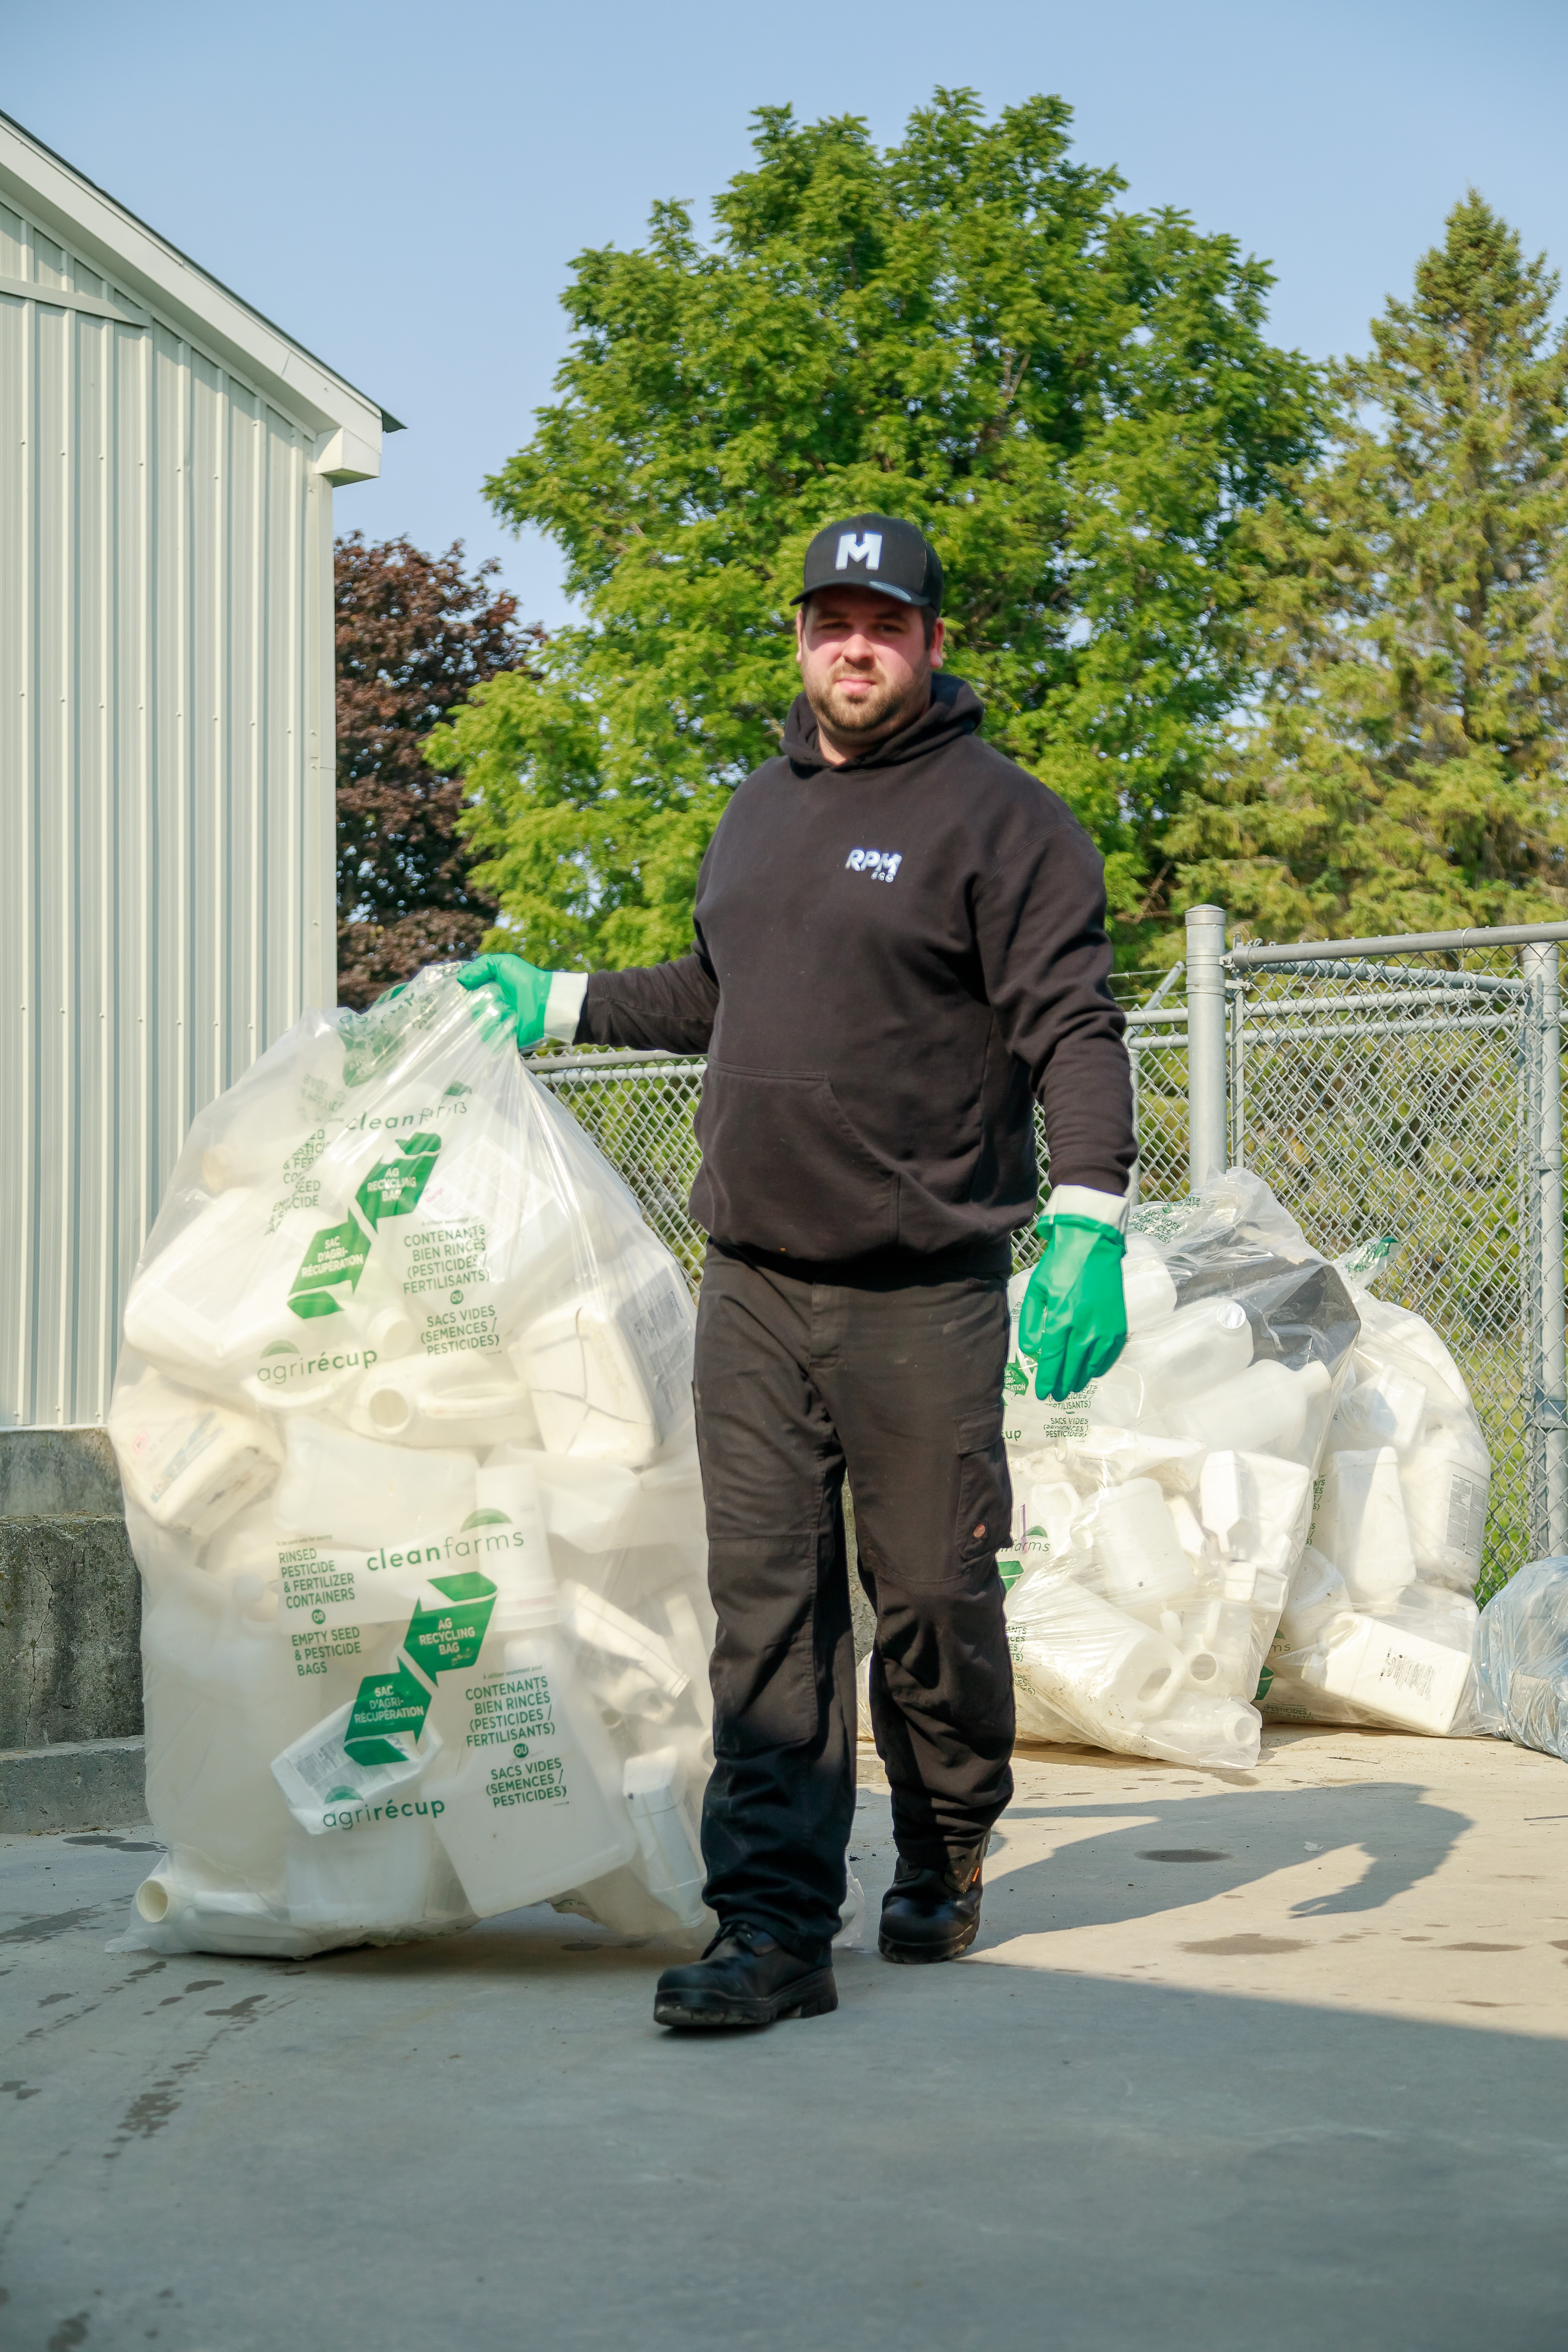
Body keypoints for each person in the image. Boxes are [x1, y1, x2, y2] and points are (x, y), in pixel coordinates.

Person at [448, 514, 1136, 2029]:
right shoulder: (756, 810)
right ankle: (769, 1927)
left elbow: (1071, 1027)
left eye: (884, 623)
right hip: (751, 1280)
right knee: (764, 1616)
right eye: (831, 619)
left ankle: (947, 1841)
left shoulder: (1007, 822)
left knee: (933, 1600)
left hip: (921, 1290)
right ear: (802, 636)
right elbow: (718, 989)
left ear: (933, 643)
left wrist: (1087, 1217)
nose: (854, 646)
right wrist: (555, 998)